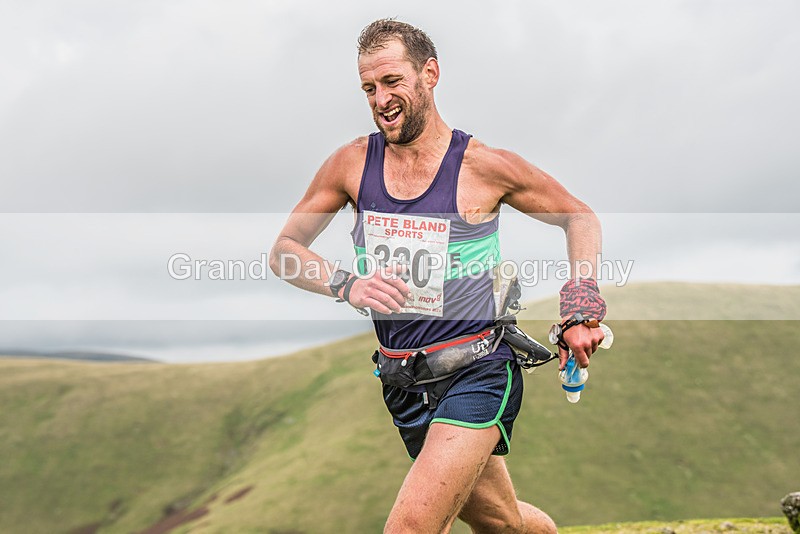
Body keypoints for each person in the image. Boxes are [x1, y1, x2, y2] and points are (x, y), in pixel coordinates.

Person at [270, 18, 607, 534]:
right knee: (503, 523)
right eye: (368, 88)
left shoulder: (482, 166)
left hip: (478, 369)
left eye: (392, 82)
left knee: (410, 527)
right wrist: (347, 284)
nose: (381, 100)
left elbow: (578, 216)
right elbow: (285, 251)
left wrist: (580, 305)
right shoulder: (350, 165)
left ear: (430, 74)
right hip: (404, 381)